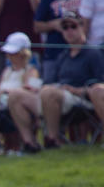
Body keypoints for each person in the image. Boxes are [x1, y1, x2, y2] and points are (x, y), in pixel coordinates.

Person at [6, 12, 104, 151]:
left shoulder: (93, 53)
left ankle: (52, 139)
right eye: (65, 27)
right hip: (54, 96)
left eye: (73, 26)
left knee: (49, 92)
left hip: (80, 99)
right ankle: (30, 143)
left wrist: (76, 90)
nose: (69, 30)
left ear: (82, 27)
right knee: (16, 95)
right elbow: (49, 81)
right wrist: (36, 88)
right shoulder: (63, 55)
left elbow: (100, 84)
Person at [34, 0, 86, 82]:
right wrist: (53, 24)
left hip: (81, 53)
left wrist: (78, 24)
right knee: (48, 91)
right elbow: (37, 26)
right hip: (54, 53)